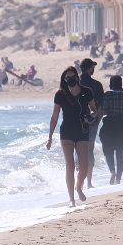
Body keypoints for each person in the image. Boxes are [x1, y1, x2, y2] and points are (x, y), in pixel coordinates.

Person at [46, 65, 96, 205]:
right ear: (64, 79)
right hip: (66, 132)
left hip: (82, 130)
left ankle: (79, 187)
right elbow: (55, 116)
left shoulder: (86, 92)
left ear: (77, 77)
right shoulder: (60, 94)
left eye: (72, 77)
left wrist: (91, 116)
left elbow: (94, 109)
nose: (70, 79)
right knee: (70, 166)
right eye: (67, 78)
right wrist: (50, 136)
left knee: (84, 166)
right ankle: (71, 198)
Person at [76, 58, 105, 186]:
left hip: (77, 120)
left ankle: (79, 181)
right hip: (92, 121)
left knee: (78, 148)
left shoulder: (74, 83)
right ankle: (88, 182)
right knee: (89, 149)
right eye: (93, 67)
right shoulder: (97, 85)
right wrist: (97, 118)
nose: (94, 69)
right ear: (89, 68)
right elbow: (100, 108)